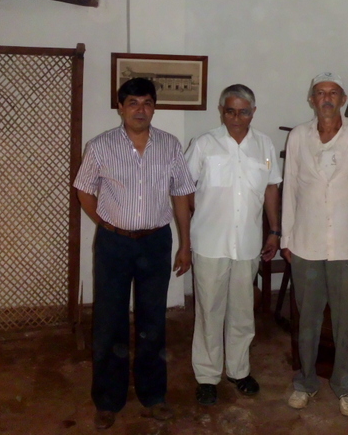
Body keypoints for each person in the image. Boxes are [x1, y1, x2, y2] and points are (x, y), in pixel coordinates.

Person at [74, 77, 196, 431]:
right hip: (113, 245)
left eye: (147, 103)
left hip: (156, 242)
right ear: (121, 108)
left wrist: (185, 244)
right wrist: (105, 223)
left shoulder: (169, 146)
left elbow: (181, 195)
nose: (140, 110)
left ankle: (153, 395)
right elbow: (84, 190)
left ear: (154, 108)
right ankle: (108, 400)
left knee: (152, 321)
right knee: (109, 321)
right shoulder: (100, 146)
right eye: (133, 103)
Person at [281, 72, 348, 417]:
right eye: (319, 93)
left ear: (342, 99)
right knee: (307, 321)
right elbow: (290, 188)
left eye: (333, 93)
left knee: (347, 321)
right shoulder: (299, 136)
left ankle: (346, 386)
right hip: (306, 244)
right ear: (311, 100)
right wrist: (286, 237)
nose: (326, 98)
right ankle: (305, 382)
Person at [185, 84, 282, 406]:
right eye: (230, 111)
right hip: (209, 243)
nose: (236, 118)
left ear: (253, 112)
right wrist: (202, 216)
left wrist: (274, 230)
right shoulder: (204, 144)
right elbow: (184, 187)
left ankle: (239, 371)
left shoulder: (264, 144)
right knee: (209, 311)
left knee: (242, 311)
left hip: (247, 243)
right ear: (221, 111)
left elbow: (271, 188)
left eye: (243, 112)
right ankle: (207, 376)